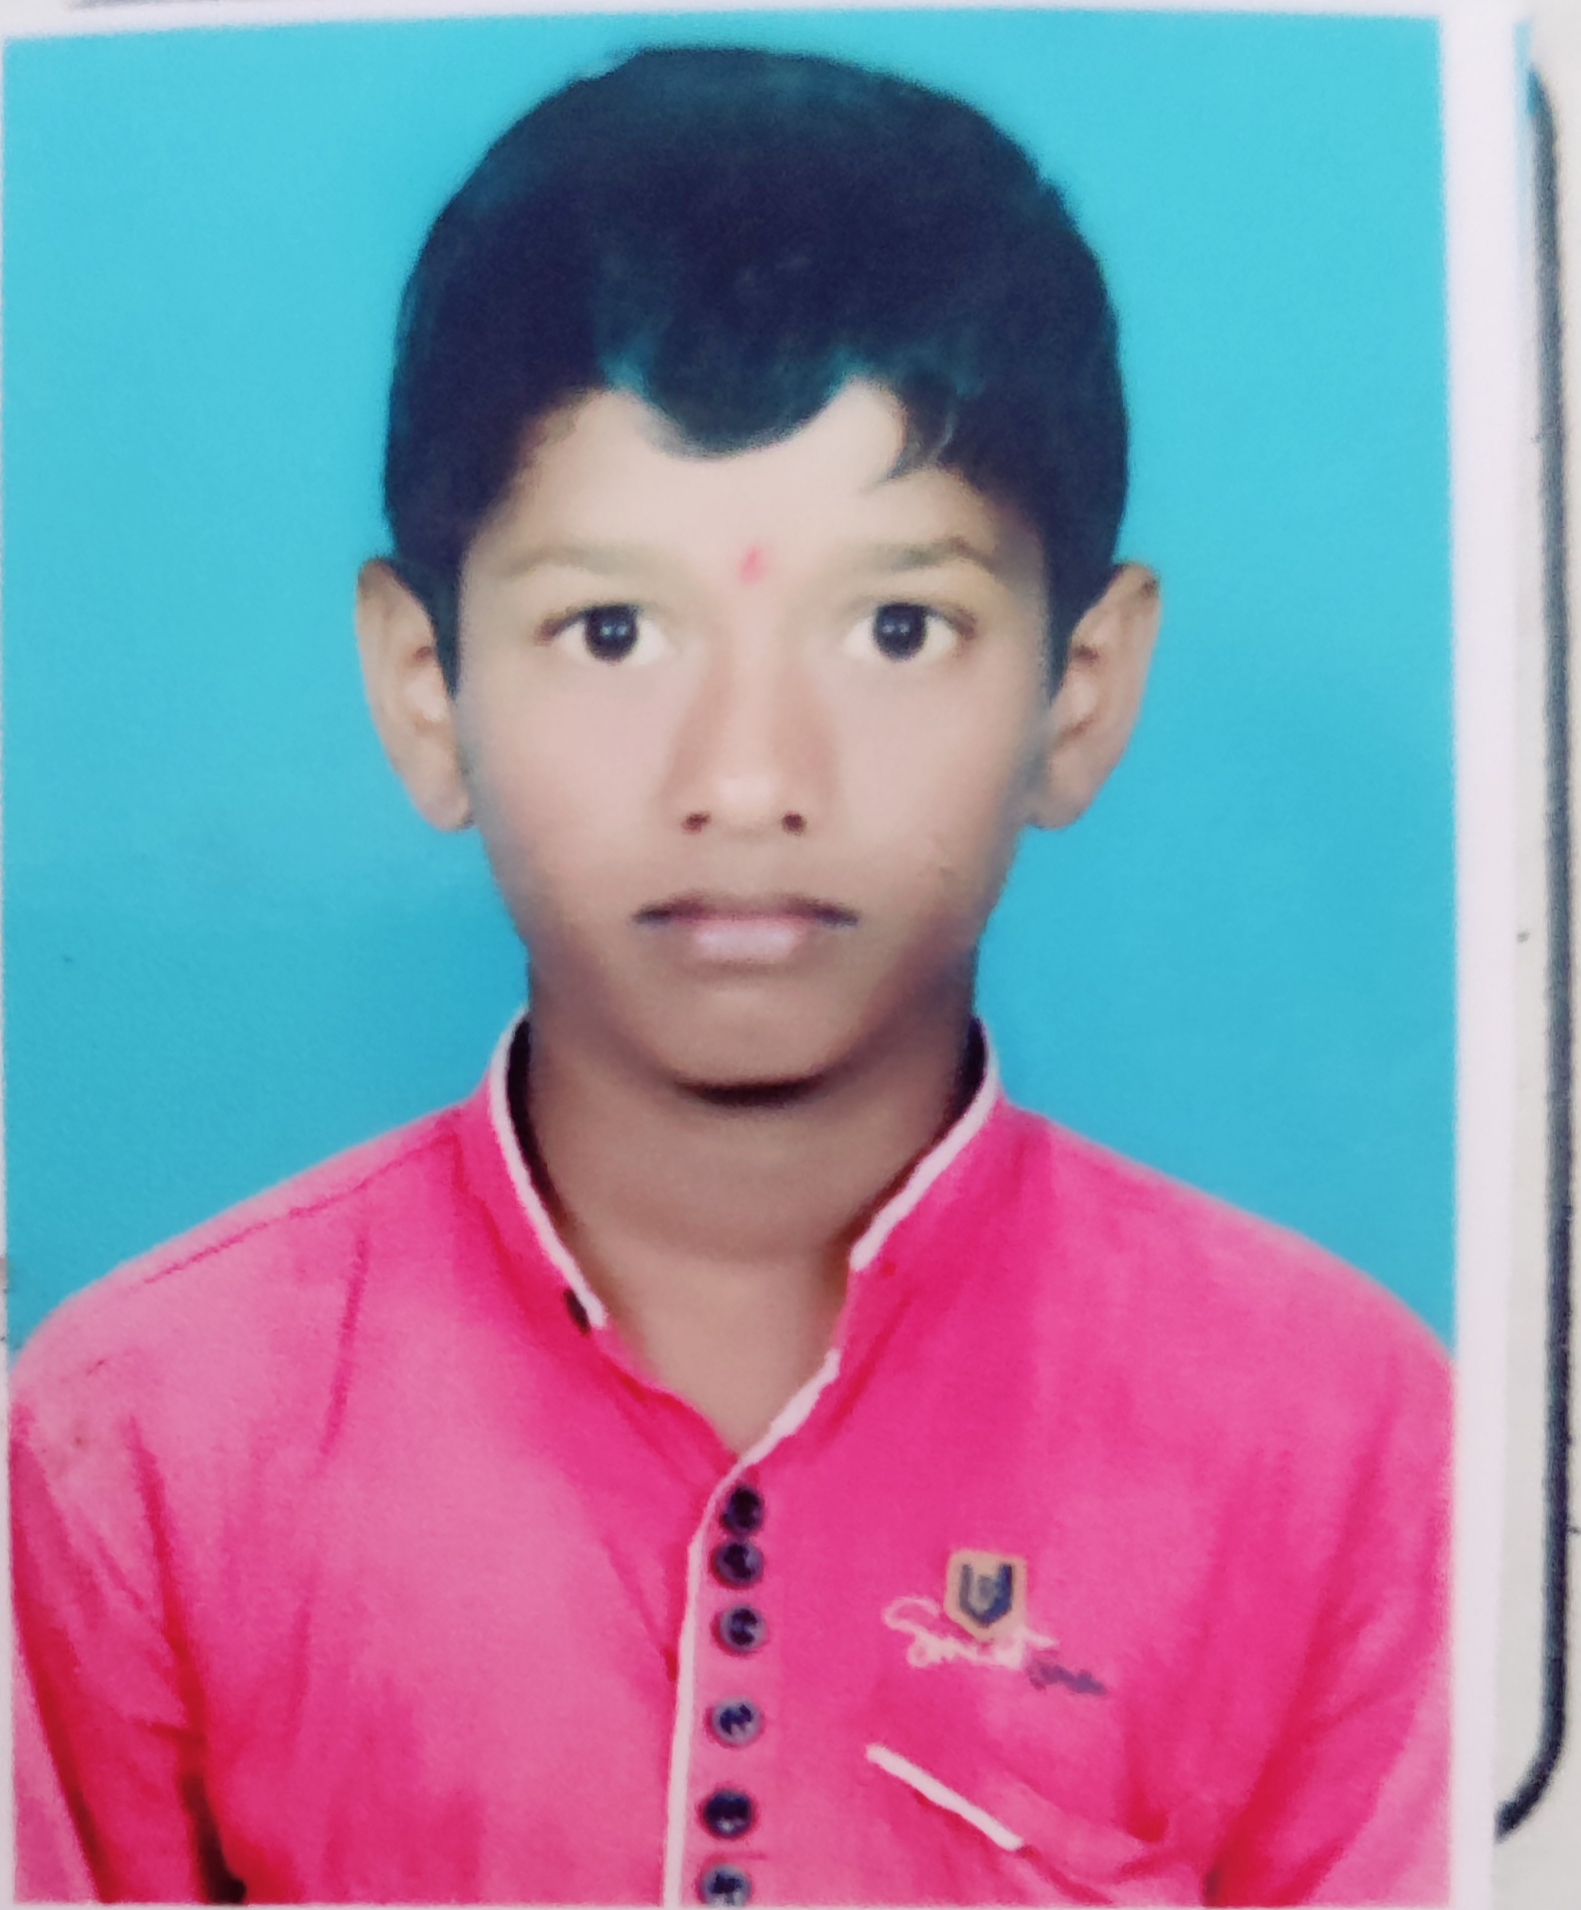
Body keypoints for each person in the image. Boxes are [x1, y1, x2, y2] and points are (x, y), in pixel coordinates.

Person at [11, 45, 1449, 1907]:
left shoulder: (1338, 1436)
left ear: (1078, 693)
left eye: (897, 626)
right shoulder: (137, 1436)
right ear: (425, 687)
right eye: (612, 628)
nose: (751, 777)